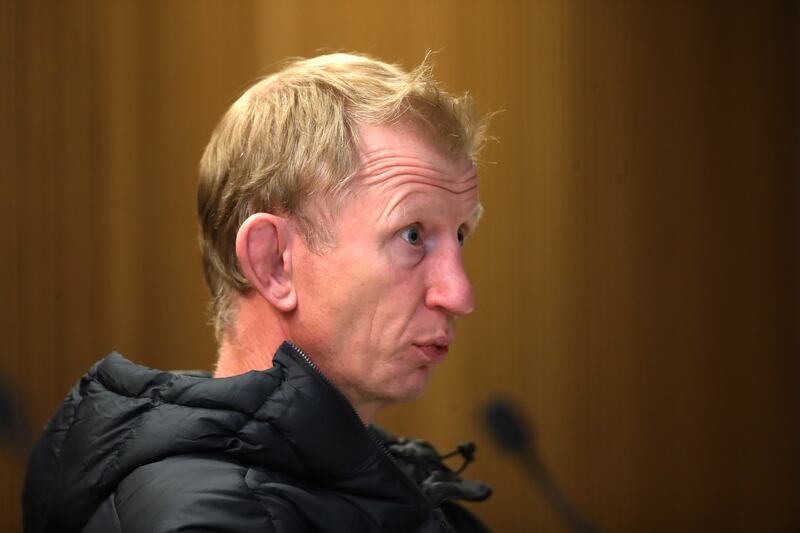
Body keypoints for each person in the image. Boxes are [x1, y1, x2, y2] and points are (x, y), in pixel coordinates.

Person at [23, 52, 492, 532]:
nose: (459, 295)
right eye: (412, 235)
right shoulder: (205, 521)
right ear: (273, 264)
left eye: (460, 235)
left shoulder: (394, 481)